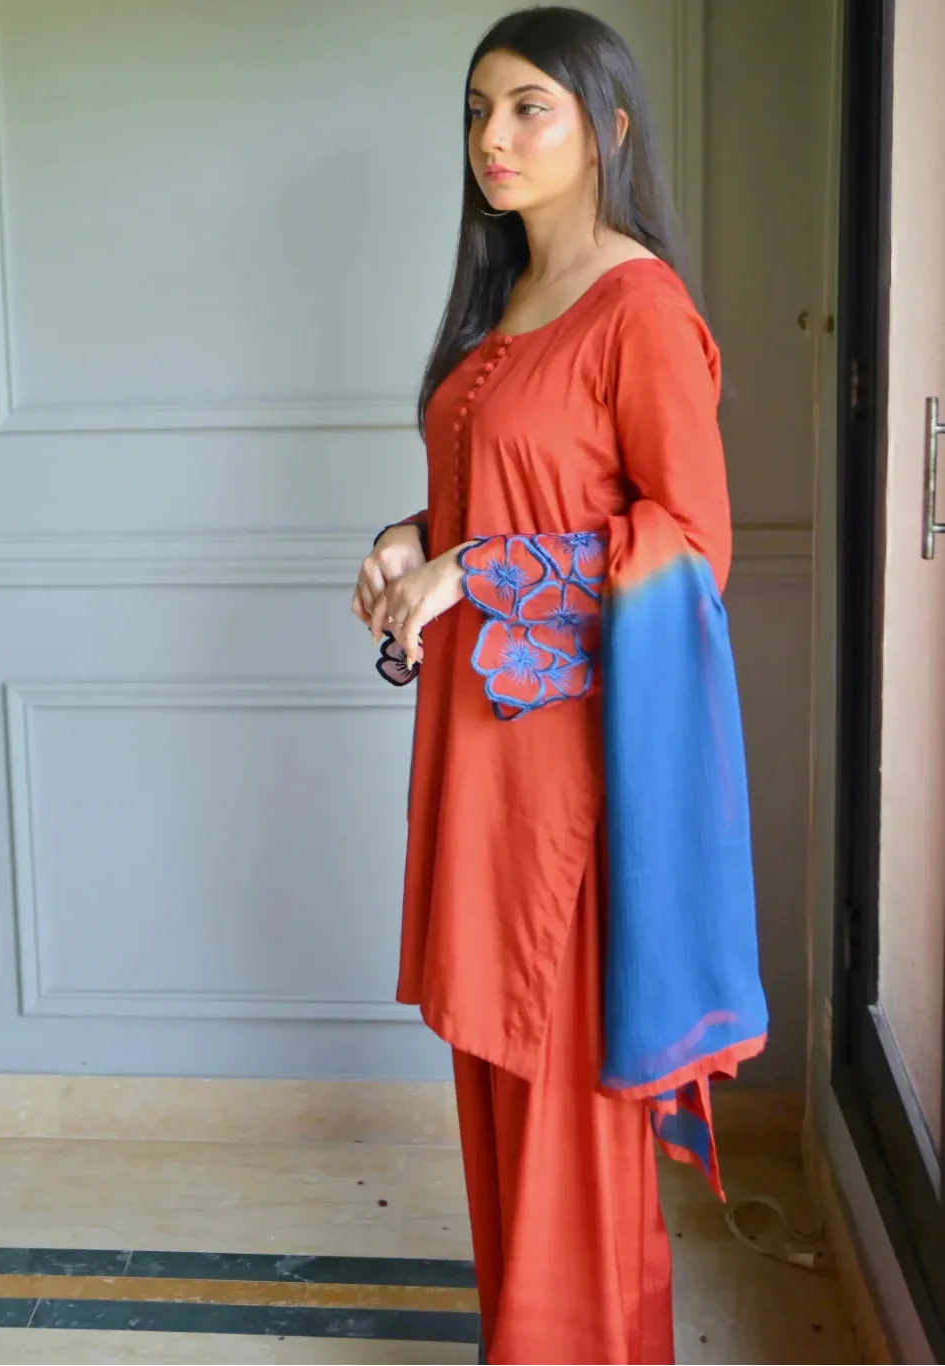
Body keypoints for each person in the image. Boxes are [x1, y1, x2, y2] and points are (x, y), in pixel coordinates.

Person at [352, 9, 767, 1364]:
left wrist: (476, 566)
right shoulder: (507, 301)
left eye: (527, 107)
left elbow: (689, 544)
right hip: (476, 758)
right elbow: (501, 495)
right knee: (495, 1087)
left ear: (608, 127)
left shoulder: (637, 307)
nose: (490, 138)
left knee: (563, 1103)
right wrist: (416, 541)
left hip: (576, 781)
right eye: (476, 109)